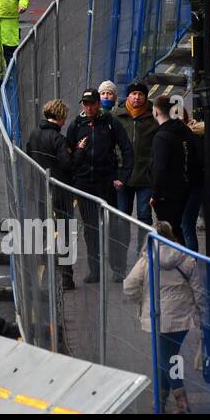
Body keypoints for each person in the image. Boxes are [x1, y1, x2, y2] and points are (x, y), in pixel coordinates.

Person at [123, 221, 208, 413]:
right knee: (169, 357)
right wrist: (202, 315)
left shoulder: (146, 260)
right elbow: (198, 291)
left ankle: (181, 402)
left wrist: (142, 301)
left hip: (157, 316)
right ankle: (160, 401)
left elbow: (129, 286)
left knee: (166, 357)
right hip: (182, 317)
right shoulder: (186, 258)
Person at [67, 89, 134, 282]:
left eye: (91, 104)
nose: (88, 107)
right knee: (90, 229)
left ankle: (118, 269)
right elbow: (69, 155)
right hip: (84, 183)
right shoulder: (76, 125)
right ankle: (95, 271)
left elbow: (127, 149)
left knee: (113, 227)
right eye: (85, 104)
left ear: (98, 104)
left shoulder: (111, 123)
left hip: (107, 182)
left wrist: (122, 176)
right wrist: (73, 179)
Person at [26, 99, 76, 289]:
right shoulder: (58, 139)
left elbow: (29, 156)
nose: (64, 122)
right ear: (60, 116)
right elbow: (67, 164)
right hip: (60, 189)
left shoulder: (34, 134)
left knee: (43, 224)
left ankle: (42, 258)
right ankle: (66, 276)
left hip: (39, 187)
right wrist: (78, 152)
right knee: (64, 230)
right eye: (64, 118)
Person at [150, 94, 196, 237]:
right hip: (184, 188)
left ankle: (177, 259)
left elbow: (160, 168)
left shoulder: (161, 137)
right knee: (177, 229)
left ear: (155, 112)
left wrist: (156, 195)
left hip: (166, 194)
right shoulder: (184, 131)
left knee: (169, 232)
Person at [118, 81, 156, 245]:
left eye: (141, 94)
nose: (137, 98)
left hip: (145, 176)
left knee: (144, 216)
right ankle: (119, 261)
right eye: (134, 94)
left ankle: (143, 255)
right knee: (121, 218)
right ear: (128, 96)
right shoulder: (116, 116)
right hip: (122, 176)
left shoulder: (153, 117)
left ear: (146, 98)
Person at [180, 111, 207, 251]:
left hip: (192, 186)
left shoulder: (193, 134)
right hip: (189, 186)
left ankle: (190, 263)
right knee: (184, 226)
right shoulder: (191, 133)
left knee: (186, 226)